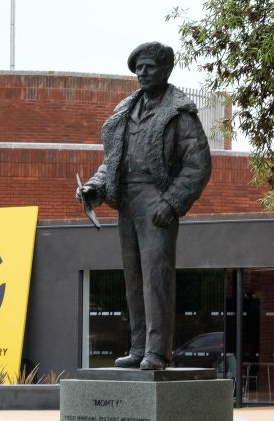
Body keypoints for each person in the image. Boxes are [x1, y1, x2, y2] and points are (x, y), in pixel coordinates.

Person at [78, 42, 212, 370]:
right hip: (127, 201)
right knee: (134, 279)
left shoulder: (180, 113)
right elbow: (114, 161)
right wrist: (95, 187)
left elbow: (198, 164)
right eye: (138, 68)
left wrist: (172, 201)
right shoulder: (126, 110)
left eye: (149, 66)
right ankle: (139, 347)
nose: (142, 73)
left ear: (165, 69)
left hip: (157, 199)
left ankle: (157, 352)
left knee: (156, 278)